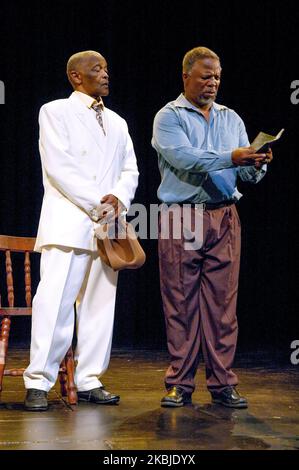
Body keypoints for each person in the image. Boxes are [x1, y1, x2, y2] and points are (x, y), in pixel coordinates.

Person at [152, 46, 273, 408]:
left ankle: (223, 384)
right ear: (185, 76)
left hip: (224, 216)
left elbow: (244, 173)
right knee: (181, 303)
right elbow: (185, 159)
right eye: (205, 75)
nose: (212, 83)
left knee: (223, 306)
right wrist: (232, 156)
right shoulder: (168, 116)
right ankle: (180, 384)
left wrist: (257, 161)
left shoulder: (230, 118)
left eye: (217, 76)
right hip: (182, 216)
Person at [23, 50, 139, 411]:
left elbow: (130, 170)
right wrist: (99, 204)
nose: (105, 74)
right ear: (76, 76)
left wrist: (119, 198)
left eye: (106, 67)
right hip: (69, 222)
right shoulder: (55, 111)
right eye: (96, 69)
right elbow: (60, 167)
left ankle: (88, 379)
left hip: (106, 226)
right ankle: (38, 380)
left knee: (99, 305)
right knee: (55, 304)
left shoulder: (118, 122)